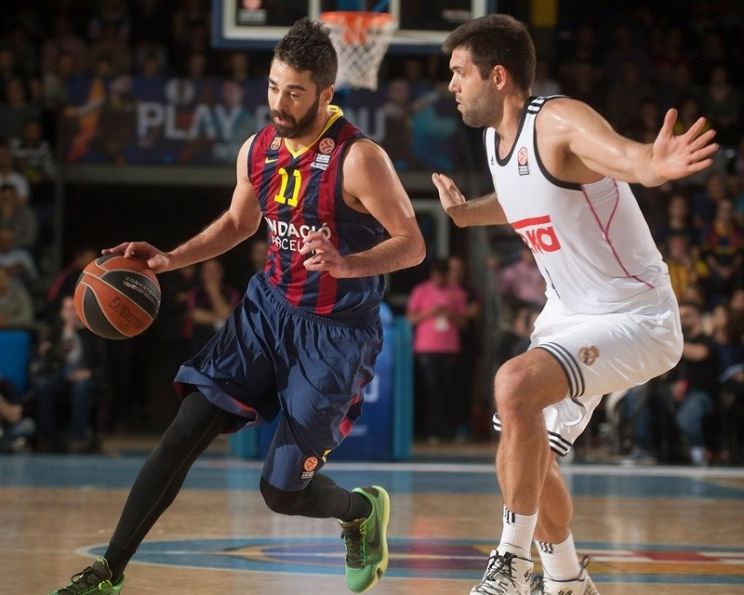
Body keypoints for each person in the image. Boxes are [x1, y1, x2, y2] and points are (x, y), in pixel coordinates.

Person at [48, 18, 424, 595]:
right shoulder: (258, 149)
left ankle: (361, 510)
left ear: (325, 93)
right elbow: (237, 222)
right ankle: (107, 572)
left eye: (294, 92)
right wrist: (169, 259)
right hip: (266, 313)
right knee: (183, 432)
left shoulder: (359, 158)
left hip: (334, 334)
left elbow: (412, 244)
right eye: (273, 86)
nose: (279, 102)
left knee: (282, 492)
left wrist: (348, 263)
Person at [431, 14, 717, 595]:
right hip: (567, 314)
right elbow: (520, 198)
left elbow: (626, 158)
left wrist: (654, 164)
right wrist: (465, 214)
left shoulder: (559, 121)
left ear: (499, 76)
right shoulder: (495, 141)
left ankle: (511, 565)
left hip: (635, 316)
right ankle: (566, 578)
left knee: (513, 384)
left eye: (461, 72)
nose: (452, 85)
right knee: (524, 445)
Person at [406, 259, 467, 442]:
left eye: (442, 275)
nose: (439, 279)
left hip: (448, 347)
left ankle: (447, 428)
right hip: (427, 347)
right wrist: (429, 313)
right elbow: (410, 318)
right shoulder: (421, 291)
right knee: (432, 388)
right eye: (436, 275)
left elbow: (464, 323)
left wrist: (451, 315)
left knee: (447, 388)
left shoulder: (457, 293)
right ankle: (432, 429)